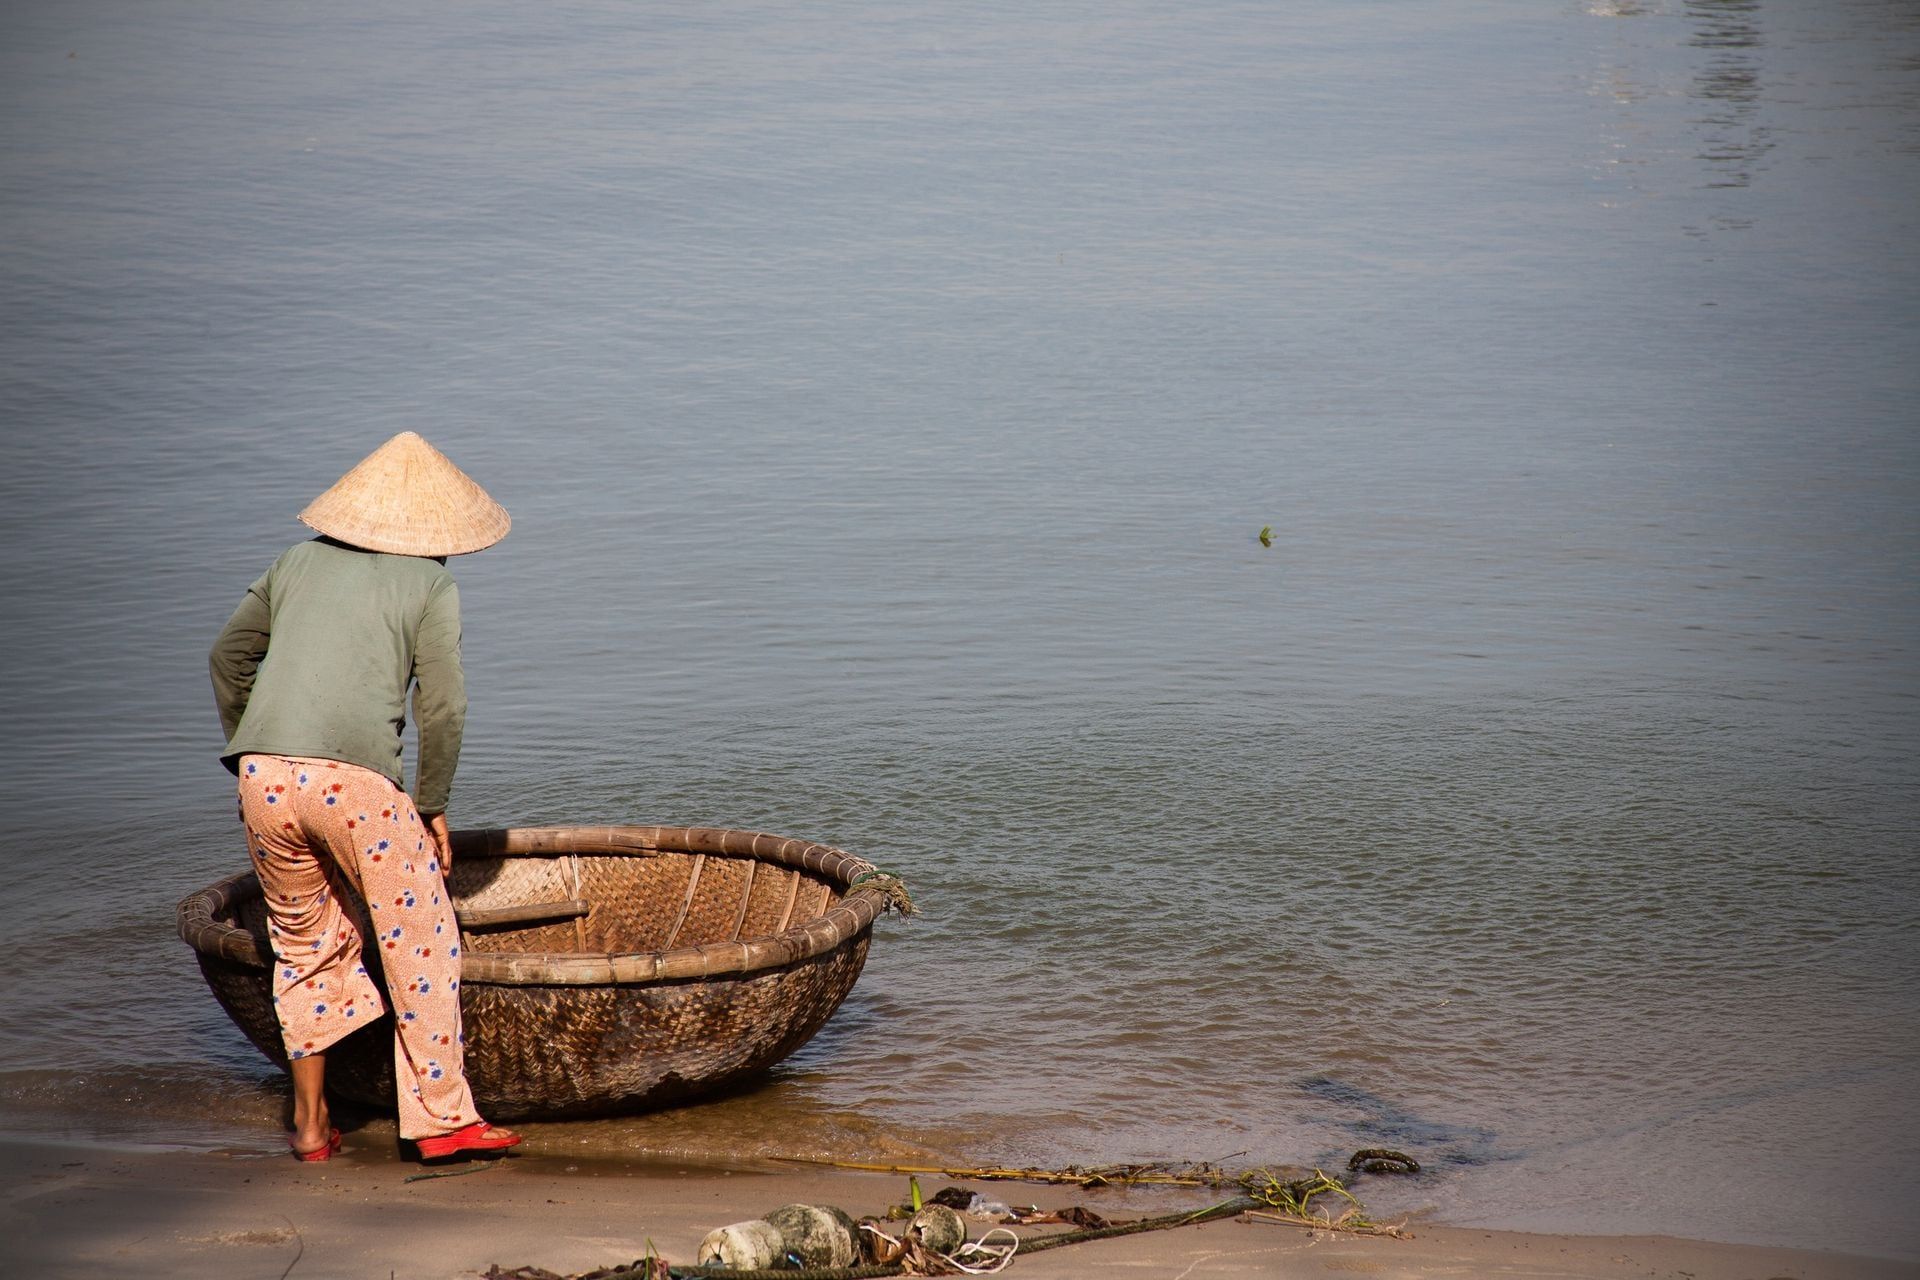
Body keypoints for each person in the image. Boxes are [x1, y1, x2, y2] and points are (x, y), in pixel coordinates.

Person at [209, 431, 522, 1163]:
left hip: (264, 778)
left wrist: (253, 744)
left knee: (302, 943)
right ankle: (441, 1120)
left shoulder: (295, 560)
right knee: (422, 939)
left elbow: (227, 658)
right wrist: (431, 802)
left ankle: (311, 1126)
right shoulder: (431, 585)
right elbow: (443, 707)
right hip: (354, 788)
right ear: (438, 530)